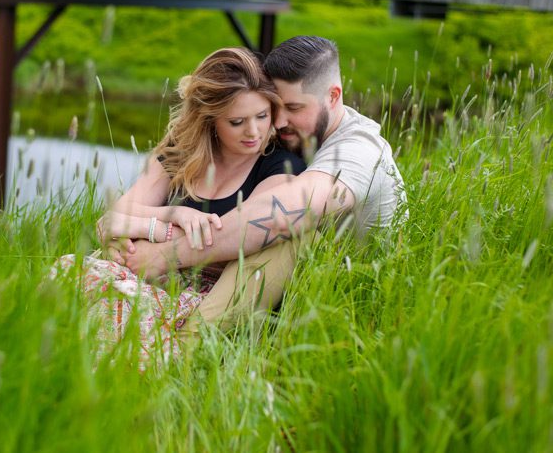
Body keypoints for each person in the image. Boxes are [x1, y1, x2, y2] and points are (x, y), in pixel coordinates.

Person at [123, 35, 407, 336]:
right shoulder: (292, 134)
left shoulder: (359, 151)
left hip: (352, 295)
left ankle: (189, 344)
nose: (279, 121)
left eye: (294, 108)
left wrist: (166, 253)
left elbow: (280, 213)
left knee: (291, 231)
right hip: (286, 289)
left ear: (333, 96)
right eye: (275, 107)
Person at [51, 47, 305, 366]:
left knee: (117, 305)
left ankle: (117, 388)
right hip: (145, 273)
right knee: (64, 272)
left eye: (262, 116)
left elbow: (246, 236)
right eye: (237, 121)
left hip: (205, 296)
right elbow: (111, 220)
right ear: (210, 119)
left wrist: (152, 240)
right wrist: (173, 217)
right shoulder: (180, 152)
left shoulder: (279, 167)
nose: (253, 132)